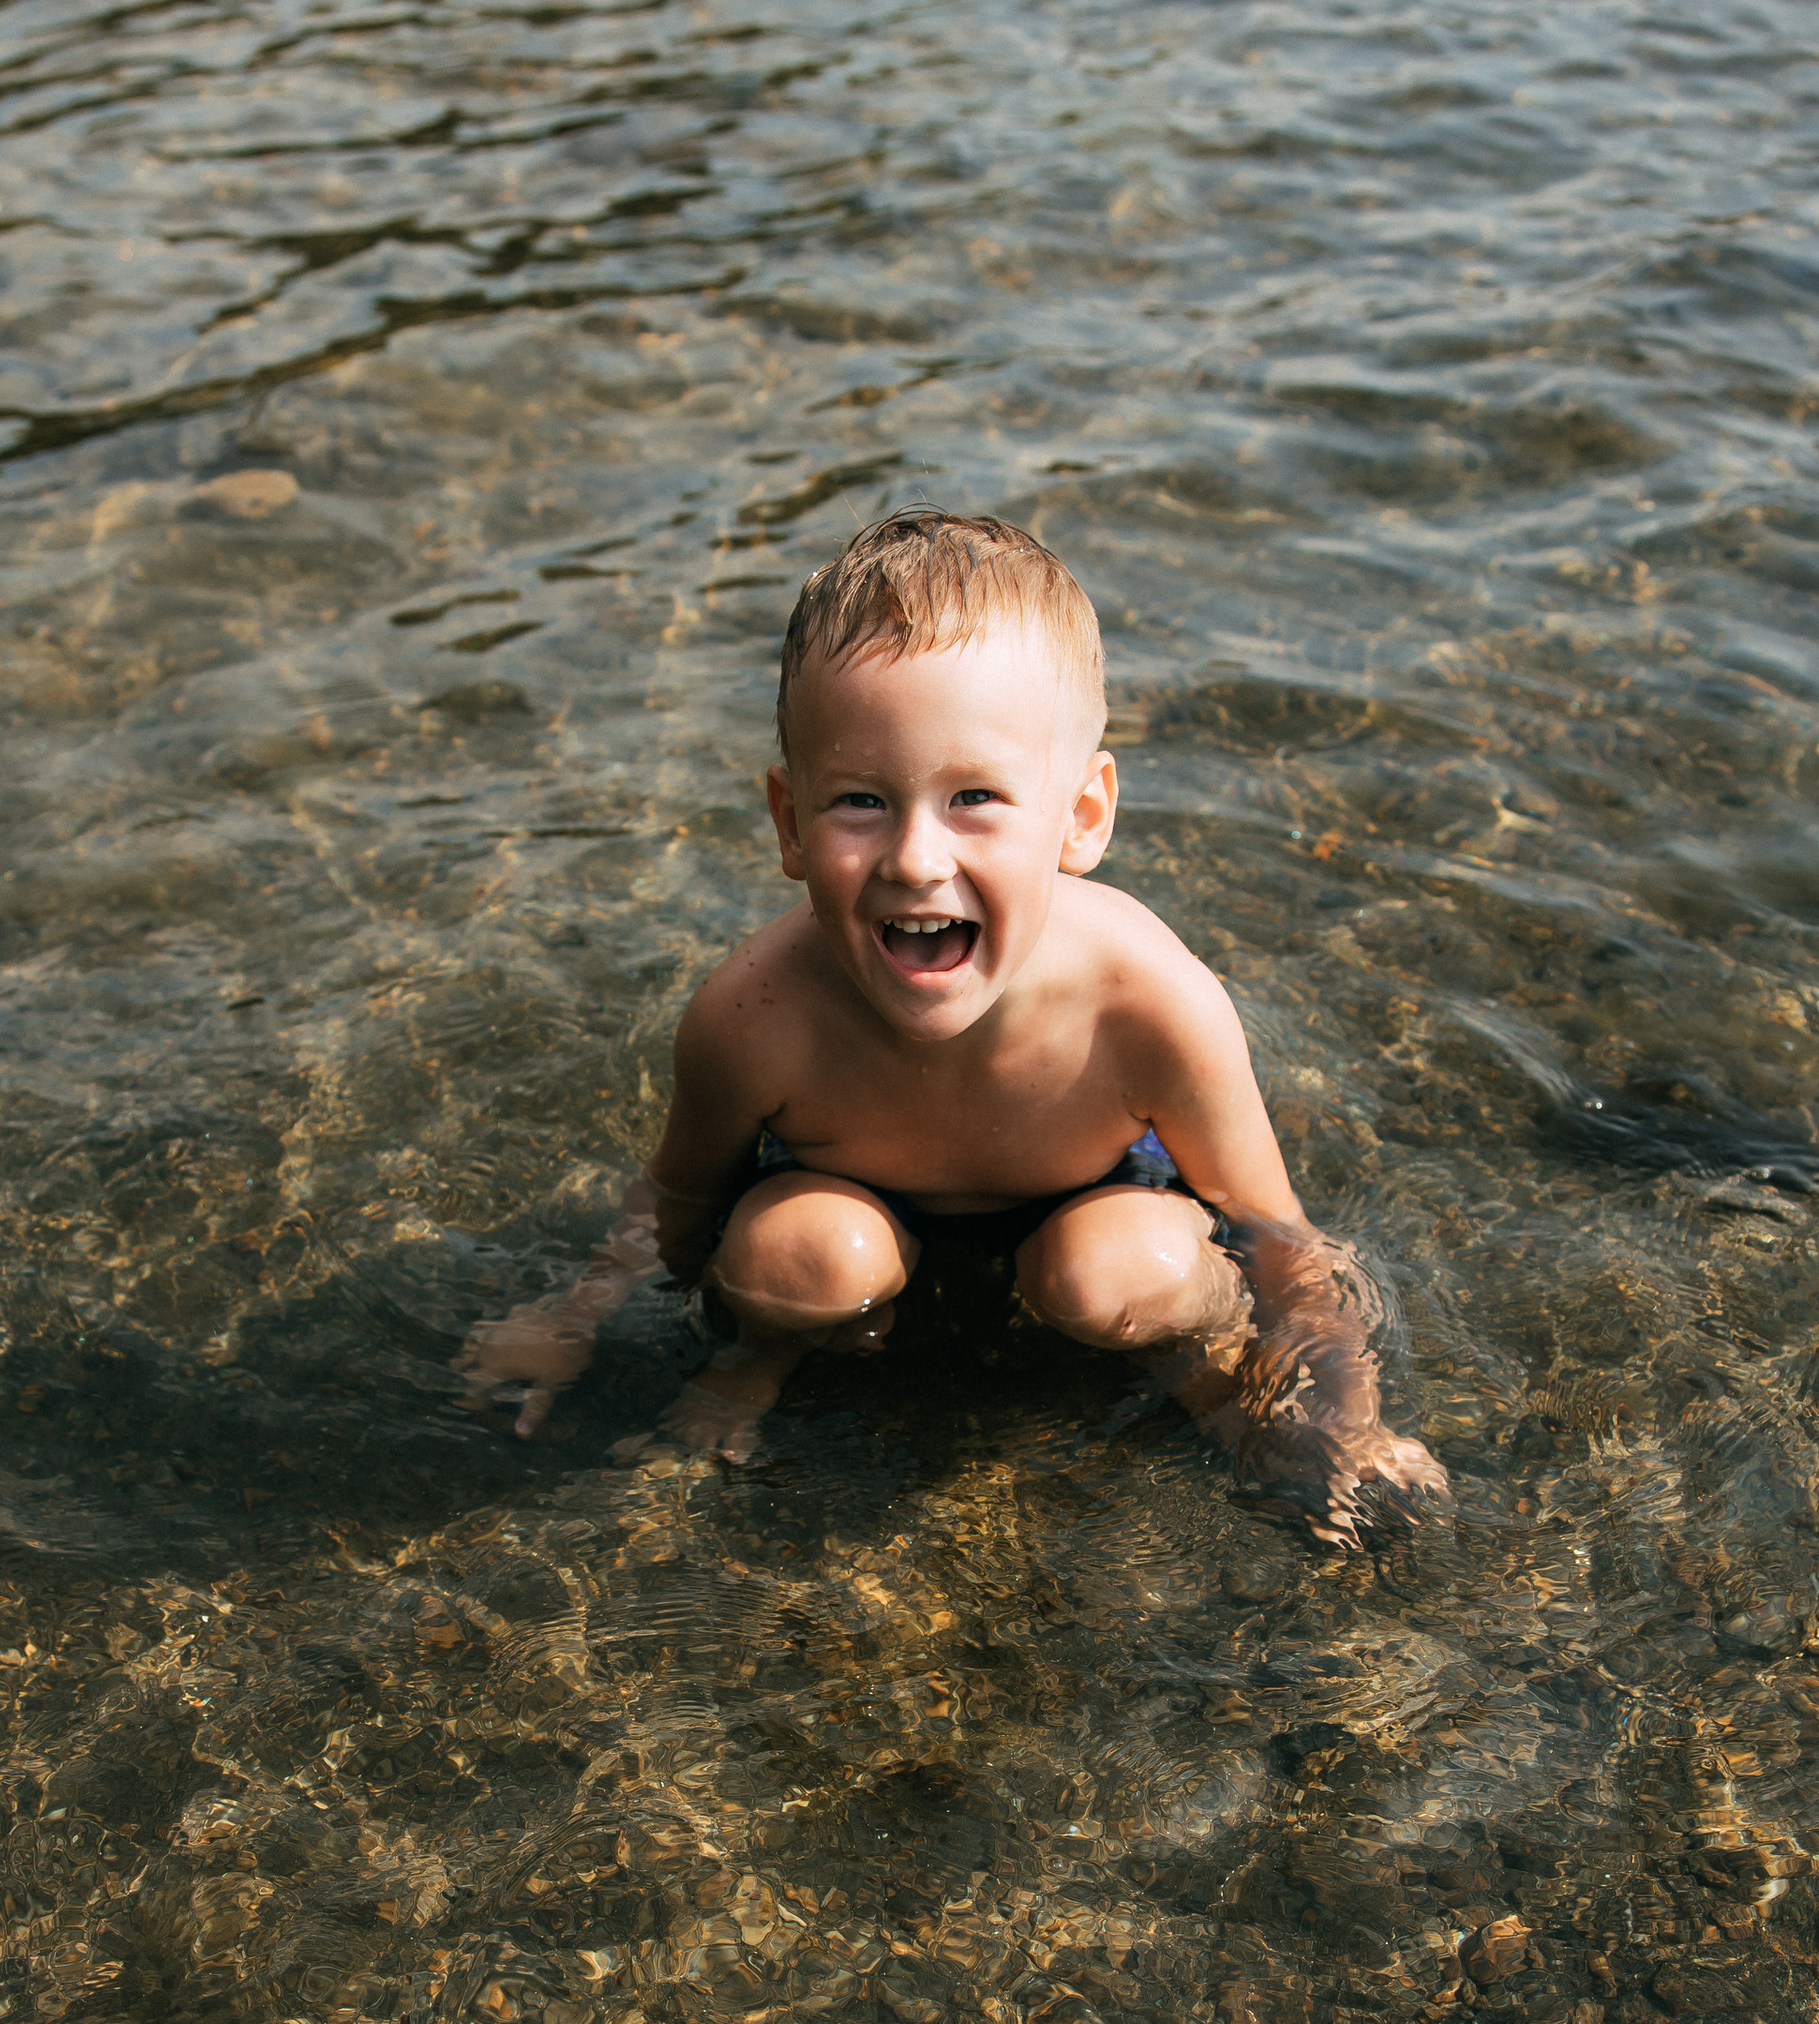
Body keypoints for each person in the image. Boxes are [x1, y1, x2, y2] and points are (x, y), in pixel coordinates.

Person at [460, 510, 1446, 1548]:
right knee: (797, 1252)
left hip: (1097, 1212)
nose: (916, 859)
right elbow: (679, 1197)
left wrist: (1347, 1420)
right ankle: (757, 1361)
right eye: (860, 802)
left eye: (974, 796)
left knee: (1125, 1273)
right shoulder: (754, 1015)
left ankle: (1214, 1391)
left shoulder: (1148, 1002)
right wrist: (568, 1318)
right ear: (789, 824)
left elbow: (1280, 1241)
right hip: (847, 1214)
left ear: (1080, 817)